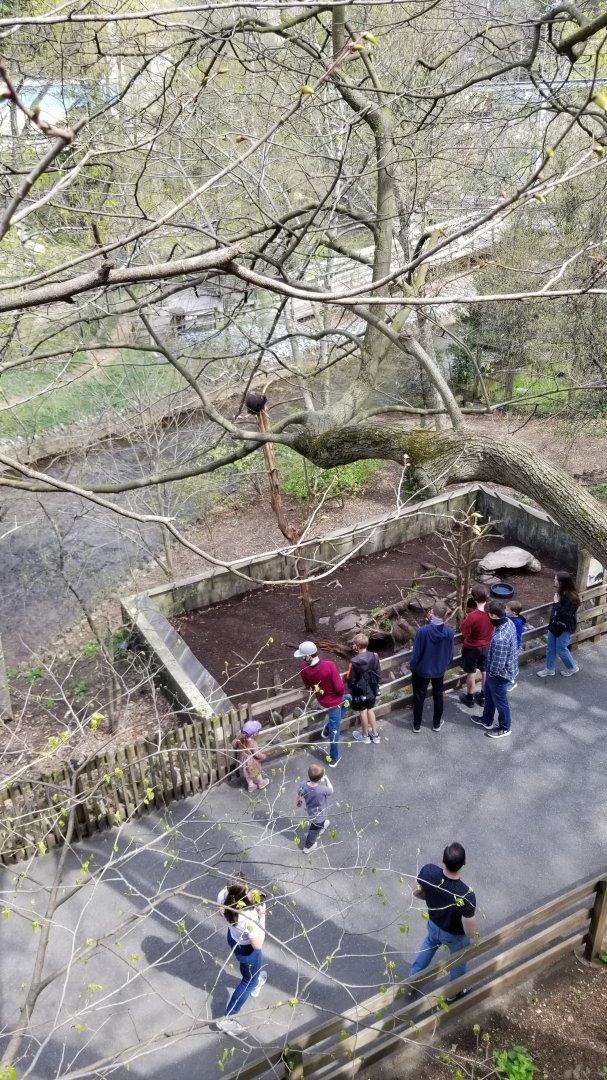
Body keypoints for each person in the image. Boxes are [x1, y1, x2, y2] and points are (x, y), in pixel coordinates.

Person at [408, 842, 477, 1001]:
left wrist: (432, 897)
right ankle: (455, 992)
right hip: (455, 935)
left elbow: (417, 892)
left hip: (433, 924)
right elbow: (470, 932)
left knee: (428, 946)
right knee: (458, 960)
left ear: (443, 859)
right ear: (463, 864)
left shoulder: (428, 872)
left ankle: (412, 982)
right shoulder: (466, 895)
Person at [215, 881, 267, 1035]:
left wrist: (249, 898)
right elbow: (258, 943)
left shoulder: (223, 894)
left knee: (250, 974)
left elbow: (223, 908)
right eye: (248, 889)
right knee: (248, 981)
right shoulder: (248, 917)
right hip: (247, 949)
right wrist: (262, 915)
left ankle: (255, 979)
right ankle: (228, 1018)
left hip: (233, 938)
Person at [471, 598, 518, 739]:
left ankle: (505, 726)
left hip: (500, 675)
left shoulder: (500, 639)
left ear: (493, 616)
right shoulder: (508, 622)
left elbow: (498, 664)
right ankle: (487, 720)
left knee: (500, 701)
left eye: (488, 614)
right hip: (497, 671)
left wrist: (490, 673)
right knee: (490, 696)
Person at [295, 641, 347, 768]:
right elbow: (340, 688)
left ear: (309, 656)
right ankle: (333, 758)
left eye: (303, 656)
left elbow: (308, 685)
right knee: (336, 731)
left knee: (348, 701)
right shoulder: (329, 665)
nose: (302, 658)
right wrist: (339, 694)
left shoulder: (304, 668)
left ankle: (327, 728)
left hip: (322, 699)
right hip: (335, 702)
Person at [409, 601, 455, 732]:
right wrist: (445, 665)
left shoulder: (422, 632)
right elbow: (450, 653)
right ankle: (436, 724)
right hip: (439, 670)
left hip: (422, 670)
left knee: (419, 697)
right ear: (445, 614)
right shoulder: (449, 632)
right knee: (438, 695)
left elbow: (416, 654)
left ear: (432, 612)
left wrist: (413, 667)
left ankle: (417, 725)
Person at [536, 571, 580, 678]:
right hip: (555, 625)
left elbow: (565, 616)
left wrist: (556, 603)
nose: (554, 580)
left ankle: (572, 667)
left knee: (561, 648)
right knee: (550, 647)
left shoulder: (571, 598)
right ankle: (549, 669)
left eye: (555, 579)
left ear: (561, 582)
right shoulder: (561, 593)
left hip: (565, 627)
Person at [458, 585, 494, 708]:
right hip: (486, 646)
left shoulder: (472, 616)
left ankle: (469, 698)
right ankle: (483, 696)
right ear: (487, 596)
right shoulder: (492, 613)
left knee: (471, 672)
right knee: (484, 671)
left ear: (473, 598)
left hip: (472, 648)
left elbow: (464, 632)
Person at [346, 633, 382, 744]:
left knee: (363, 711)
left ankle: (365, 736)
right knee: (370, 710)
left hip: (360, 692)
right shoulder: (375, 656)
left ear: (356, 646)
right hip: (372, 689)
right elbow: (378, 672)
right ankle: (375, 735)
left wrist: (352, 689)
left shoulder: (353, 662)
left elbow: (350, 680)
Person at [297, 763, 333, 851]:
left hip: (311, 811)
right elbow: (331, 790)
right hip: (319, 815)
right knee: (313, 830)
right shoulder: (322, 789)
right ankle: (308, 846)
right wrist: (327, 779)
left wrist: (299, 800)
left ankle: (322, 825)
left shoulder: (303, 784)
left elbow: (299, 794)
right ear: (321, 779)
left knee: (318, 823)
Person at [232, 720, 270, 794]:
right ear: (253, 734)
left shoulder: (239, 740)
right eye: (257, 731)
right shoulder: (253, 743)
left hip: (242, 761)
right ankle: (261, 782)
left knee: (247, 774)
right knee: (255, 772)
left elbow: (234, 744)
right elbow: (256, 754)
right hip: (250, 761)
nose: (258, 733)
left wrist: (237, 738)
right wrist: (263, 756)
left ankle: (251, 786)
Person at [505, 599, 526, 692]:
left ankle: (512, 682)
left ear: (513, 612)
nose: (505, 611)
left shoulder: (516, 622)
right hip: (509, 645)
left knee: (510, 664)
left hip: (513, 646)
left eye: (507, 610)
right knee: (506, 663)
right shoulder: (511, 617)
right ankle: (507, 679)